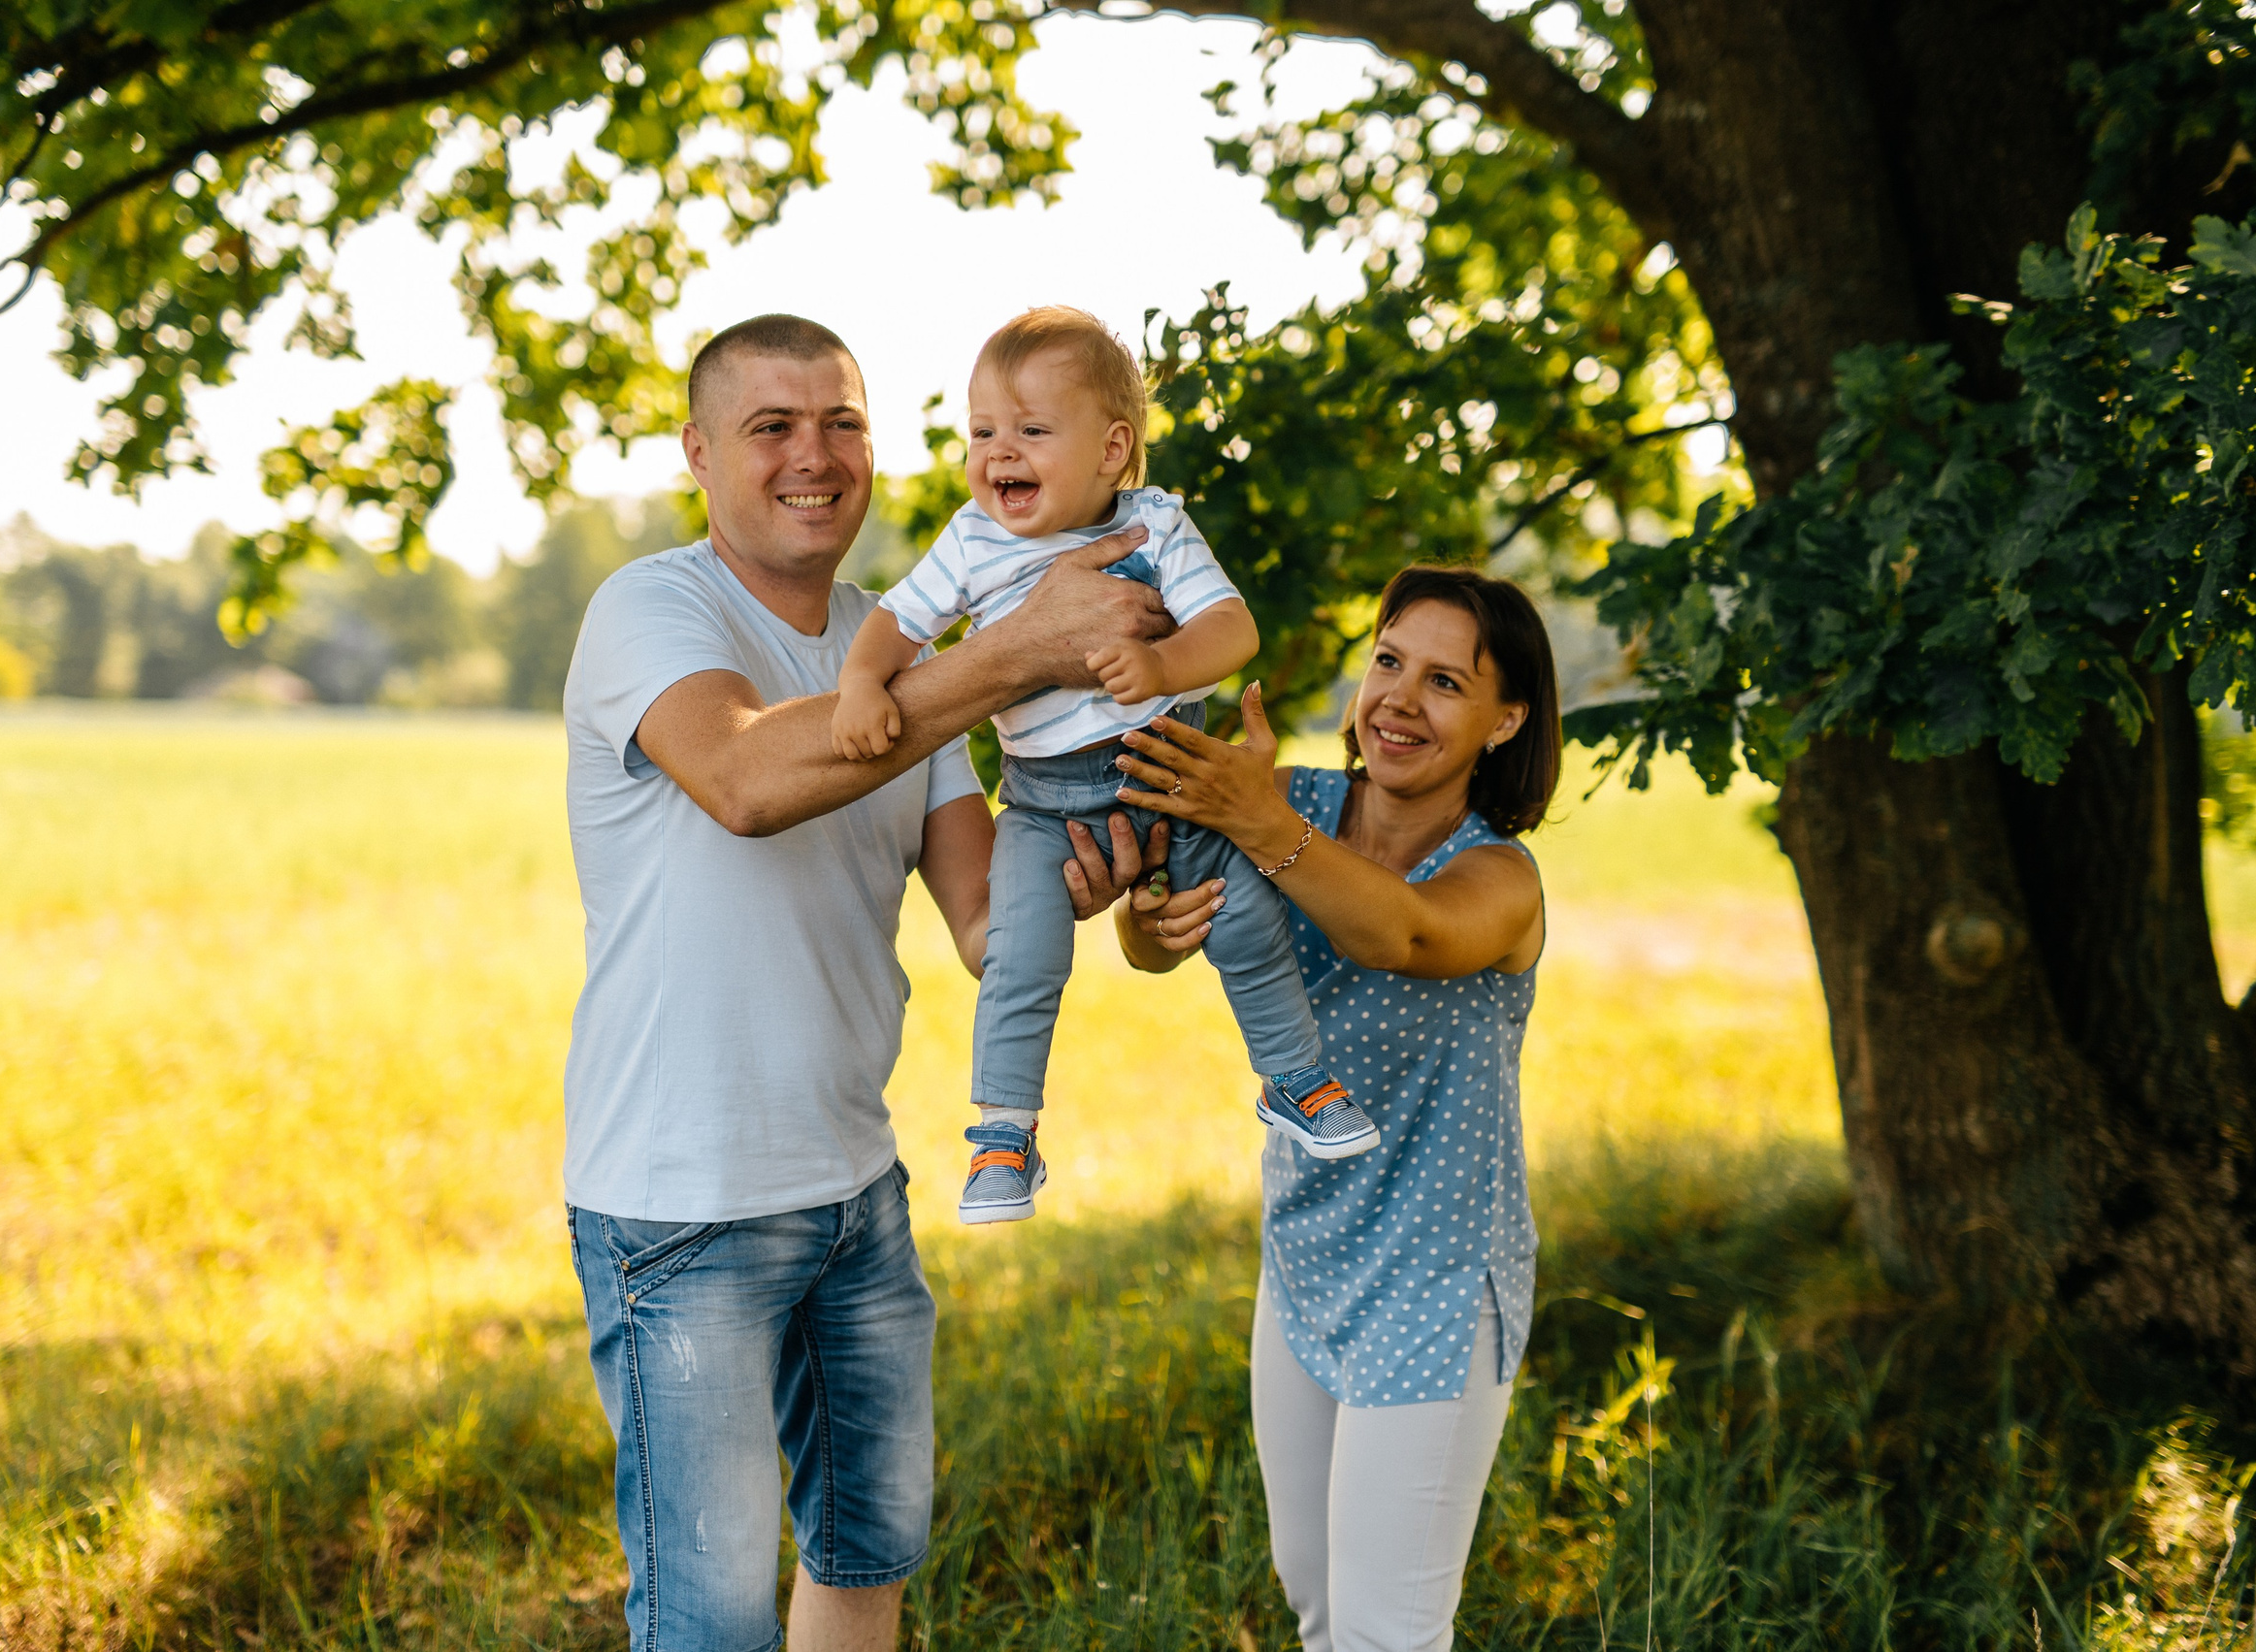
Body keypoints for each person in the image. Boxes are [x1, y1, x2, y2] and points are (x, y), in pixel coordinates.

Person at [559, 312, 1170, 1652]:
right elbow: (746, 779)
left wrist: (1127, 892)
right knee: (709, 1620)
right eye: (772, 425)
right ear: (700, 452)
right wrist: (1021, 649)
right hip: (682, 1205)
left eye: (842, 421)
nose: (814, 455)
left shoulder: (902, 652)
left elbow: (981, 918)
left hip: (854, 1194)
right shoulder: (653, 607)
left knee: (867, 1556)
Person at [832, 307, 1376, 1227]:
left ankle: (1296, 1079)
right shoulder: (973, 539)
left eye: (1032, 431)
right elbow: (897, 620)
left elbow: (1231, 627)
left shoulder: (1156, 526)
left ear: (1113, 449)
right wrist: (859, 680)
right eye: (984, 432)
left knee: (1244, 916)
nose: (1000, 452)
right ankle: (1003, 1133)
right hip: (1043, 812)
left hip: (1173, 780)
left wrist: (1163, 666)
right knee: (1020, 954)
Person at [1098, 565, 1557, 1652]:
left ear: (1506, 720)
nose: (1399, 698)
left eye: (1446, 681)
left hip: (1438, 1286)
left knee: (1386, 1631)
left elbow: (1401, 933)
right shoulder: (1288, 799)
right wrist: (1149, 917)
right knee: (1315, 1601)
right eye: (1389, 660)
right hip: (1304, 1256)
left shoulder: (1500, 876)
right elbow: (1149, 931)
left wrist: (1261, 827)